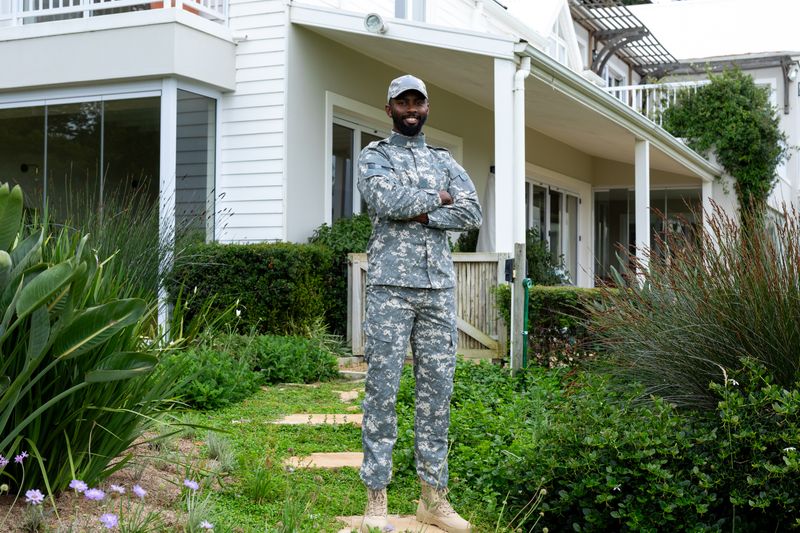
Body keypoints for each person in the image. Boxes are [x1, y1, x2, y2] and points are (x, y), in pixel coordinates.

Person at [356, 74, 482, 533]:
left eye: (418, 102)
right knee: (382, 391)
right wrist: (440, 200)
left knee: (436, 396)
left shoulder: (442, 159)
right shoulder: (376, 156)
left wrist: (425, 208)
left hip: (438, 291)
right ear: (388, 108)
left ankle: (433, 499)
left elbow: (471, 212)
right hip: (391, 287)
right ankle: (376, 498)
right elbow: (384, 198)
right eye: (402, 102)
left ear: (427, 108)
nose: (411, 109)